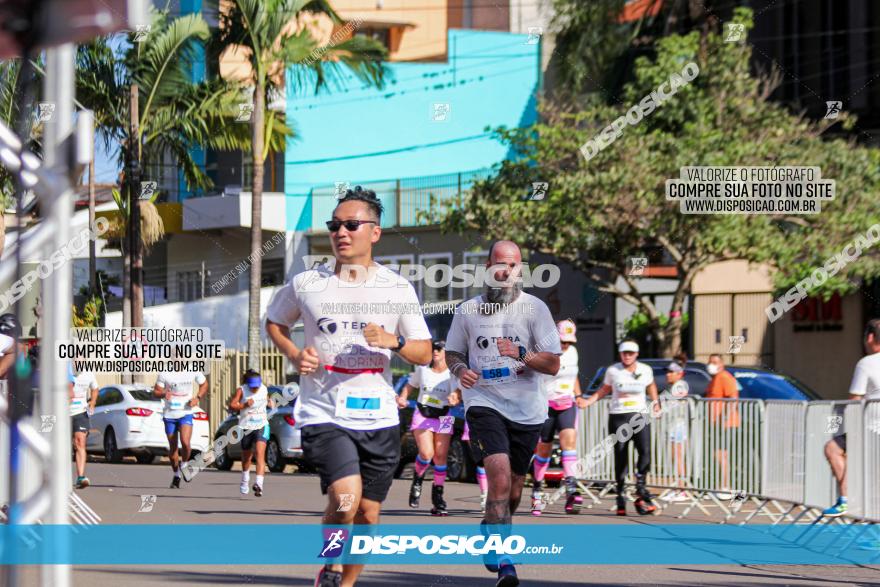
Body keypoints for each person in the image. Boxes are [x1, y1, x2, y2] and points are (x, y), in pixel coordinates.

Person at [265, 186, 431, 587]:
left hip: (379, 413)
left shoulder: (397, 289)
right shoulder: (308, 283)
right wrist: (292, 352)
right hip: (325, 409)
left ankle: (344, 581)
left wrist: (394, 342)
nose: (341, 232)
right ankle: (331, 561)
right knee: (345, 499)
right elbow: (275, 320)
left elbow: (425, 352)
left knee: (368, 515)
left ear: (374, 232)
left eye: (351, 224)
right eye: (334, 225)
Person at [446, 240, 561, 587]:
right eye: (499, 264)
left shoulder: (535, 309)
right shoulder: (467, 311)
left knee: (512, 491)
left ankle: (491, 526)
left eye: (512, 265)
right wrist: (460, 369)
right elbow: (452, 353)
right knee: (497, 479)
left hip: (527, 410)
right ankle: (505, 559)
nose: (505, 271)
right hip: (484, 402)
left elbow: (554, 364)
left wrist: (523, 354)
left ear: (520, 270)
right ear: (487, 267)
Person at [584, 340, 661, 516]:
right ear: (620, 354)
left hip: (640, 416)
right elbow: (604, 389)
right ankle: (620, 495)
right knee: (621, 456)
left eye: (631, 353)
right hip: (619, 416)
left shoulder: (645, 370)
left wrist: (656, 403)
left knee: (645, 451)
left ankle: (640, 488)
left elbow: (651, 385)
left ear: (636, 354)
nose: (627, 356)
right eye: (624, 353)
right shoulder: (613, 371)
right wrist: (589, 401)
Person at [823, 318, 880, 517]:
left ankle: (846, 499)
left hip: (873, 429)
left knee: (833, 448)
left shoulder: (866, 363)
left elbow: (855, 400)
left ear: (870, 337)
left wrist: (850, 427)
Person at [531, 319, 586, 516]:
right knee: (543, 451)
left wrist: (578, 395)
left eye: (569, 342)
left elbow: (574, 376)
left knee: (569, 443)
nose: (566, 345)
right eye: (563, 341)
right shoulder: (544, 352)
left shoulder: (573, 353)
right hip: (545, 405)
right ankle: (537, 488)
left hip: (567, 403)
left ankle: (571, 488)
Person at [399, 340, 454, 516]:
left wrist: (456, 396)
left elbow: (459, 391)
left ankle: (438, 497)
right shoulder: (422, 369)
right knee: (427, 454)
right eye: (433, 348)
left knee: (441, 457)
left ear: (446, 352)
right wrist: (403, 397)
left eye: (439, 348)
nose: (435, 351)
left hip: (446, 416)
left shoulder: (452, 373)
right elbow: (410, 384)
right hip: (423, 413)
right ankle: (417, 480)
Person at [153, 366, 208, 489]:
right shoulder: (164, 372)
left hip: (185, 413)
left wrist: (197, 397)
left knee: (185, 442)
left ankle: (184, 465)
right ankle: (176, 475)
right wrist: (163, 393)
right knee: (173, 449)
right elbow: (155, 392)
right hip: (169, 415)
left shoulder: (193, 370)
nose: (179, 360)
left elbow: (204, 384)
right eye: (176, 357)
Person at [229, 369, 274, 497]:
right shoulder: (242, 390)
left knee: (260, 453)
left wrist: (270, 403)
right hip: (246, 427)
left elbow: (267, 399)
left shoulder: (264, 389)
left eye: (257, 387)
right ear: (248, 384)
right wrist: (244, 405)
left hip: (261, 425)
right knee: (246, 457)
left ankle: (259, 485)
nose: (255, 389)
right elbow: (233, 405)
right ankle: (245, 480)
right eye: (252, 387)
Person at [705, 353, 740, 499]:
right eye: (710, 361)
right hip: (717, 424)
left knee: (721, 455)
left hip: (726, 424)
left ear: (721, 364)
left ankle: (726, 487)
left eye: (715, 362)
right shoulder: (715, 379)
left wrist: (724, 418)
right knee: (718, 455)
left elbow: (733, 398)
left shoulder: (724, 377)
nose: (711, 364)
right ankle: (721, 486)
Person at [660, 353, 690, 503]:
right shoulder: (672, 387)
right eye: (667, 371)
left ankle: (681, 490)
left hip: (678, 426)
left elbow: (671, 404)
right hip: (672, 425)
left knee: (678, 458)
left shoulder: (681, 385)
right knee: (674, 458)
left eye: (671, 372)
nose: (668, 374)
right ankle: (676, 488)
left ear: (680, 373)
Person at [69, 363, 99, 489]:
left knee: (80, 442)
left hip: (80, 412)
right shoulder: (64, 372)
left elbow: (95, 388)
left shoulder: (88, 373)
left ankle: (81, 477)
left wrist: (92, 402)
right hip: (62, 412)